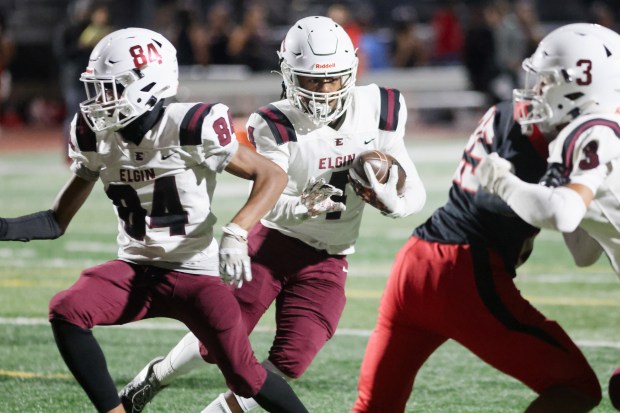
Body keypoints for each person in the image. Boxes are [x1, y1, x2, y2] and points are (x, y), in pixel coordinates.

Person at [119, 16, 426, 413]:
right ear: (288, 75)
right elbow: (268, 195)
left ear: (350, 71)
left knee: (292, 360)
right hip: (272, 244)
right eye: (312, 80)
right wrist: (301, 205)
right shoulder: (274, 122)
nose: (324, 91)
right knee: (217, 342)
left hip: (329, 256)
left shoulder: (380, 107)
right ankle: (155, 377)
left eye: (332, 79)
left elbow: (413, 188)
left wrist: (395, 203)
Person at [0, 27, 310, 413]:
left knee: (245, 377)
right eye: (97, 89)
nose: (99, 100)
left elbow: (272, 175)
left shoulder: (190, 124)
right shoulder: (94, 134)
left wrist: (236, 231)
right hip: (135, 270)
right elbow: (54, 222)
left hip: (197, 274)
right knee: (67, 308)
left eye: (111, 88)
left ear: (147, 84)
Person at [352, 23, 620, 413]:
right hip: (464, 271)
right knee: (576, 387)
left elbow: (576, 240)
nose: (537, 90)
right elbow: (534, 209)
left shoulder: (504, 115)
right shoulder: (578, 134)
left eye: (548, 81)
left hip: (413, 264)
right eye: (540, 80)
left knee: (373, 408)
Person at [474, 23, 620, 410]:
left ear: (582, 84)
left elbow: (562, 213)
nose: (536, 91)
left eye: (546, 81)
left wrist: (503, 181)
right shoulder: (597, 126)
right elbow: (584, 252)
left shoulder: (593, 130)